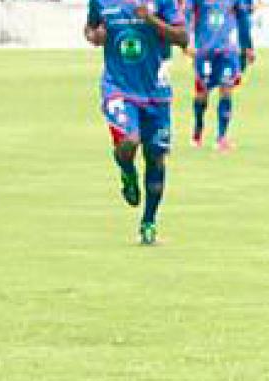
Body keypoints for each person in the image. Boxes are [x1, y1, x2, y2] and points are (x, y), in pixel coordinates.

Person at [85, 0, 187, 245]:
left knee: (156, 158)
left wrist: (150, 19)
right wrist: (94, 35)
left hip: (156, 91)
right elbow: (90, 27)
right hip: (118, 86)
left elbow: (183, 38)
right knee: (130, 140)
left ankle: (149, 222)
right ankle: (127, 171)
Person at [185, 0, 254, 151]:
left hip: (228, 51)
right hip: (204, 50)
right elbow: (187, 14)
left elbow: (243, 19)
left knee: (226, 89)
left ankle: (221, 137)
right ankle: (198, 130)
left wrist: (248, 46)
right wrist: (187, 42)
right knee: (202, 94)